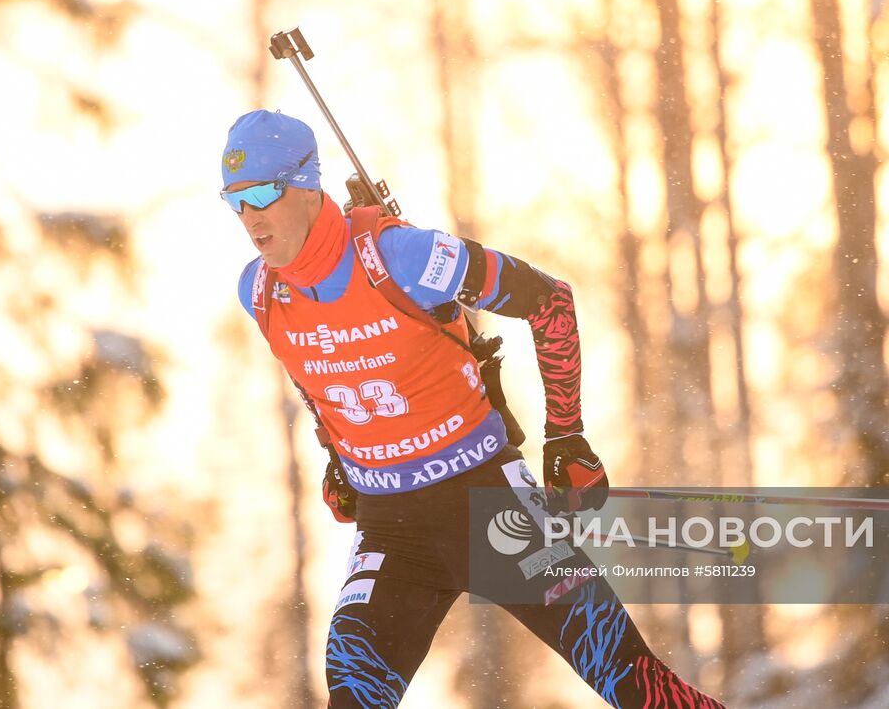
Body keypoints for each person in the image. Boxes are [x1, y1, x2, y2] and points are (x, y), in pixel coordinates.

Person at [224, 109, 728, 708]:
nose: (250, 216)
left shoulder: (402, 256)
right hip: (392, 533)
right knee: (352, 697)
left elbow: (549, 302)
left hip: (494, 511)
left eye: (263, 192)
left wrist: (566, 437)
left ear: (309, 186)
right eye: (234, 200)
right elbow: (315, 374)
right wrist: (339, 454)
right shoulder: (258, 291)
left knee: (637, 687)